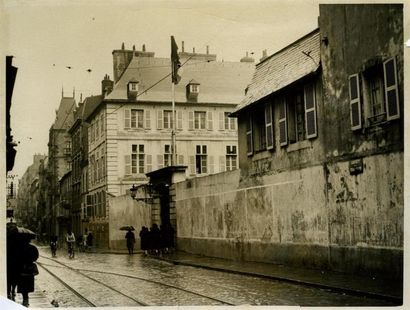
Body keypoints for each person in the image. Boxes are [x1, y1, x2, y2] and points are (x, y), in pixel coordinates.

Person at [17, 235, 39, 307]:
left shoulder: (19, 248)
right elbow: (36, 257)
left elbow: (16, 258)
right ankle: (26, 299)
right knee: (28, 285)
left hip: (21, 269)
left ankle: (25, 299)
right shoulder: (33, 248)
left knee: (23, 286)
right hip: (30, 270)